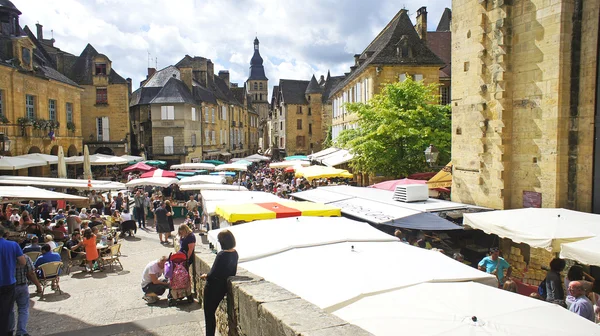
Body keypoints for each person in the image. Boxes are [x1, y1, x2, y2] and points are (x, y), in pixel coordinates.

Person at [201, 230, 238, 336]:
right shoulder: (235, 253)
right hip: (223, 288)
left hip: (213, 288)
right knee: (211, 312)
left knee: (209, 314)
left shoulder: (222, 255)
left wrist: (206, 275)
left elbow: (213, 273)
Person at [0, 225, 26, 334]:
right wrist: (11, 265)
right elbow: (23, 262)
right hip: (8, 282)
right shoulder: (12, 245)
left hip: (7, 283)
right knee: (6, 311)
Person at [8, 254, 41, 336]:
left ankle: (10, 330)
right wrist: (38, 285)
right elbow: (31, 273)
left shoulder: (5, 258)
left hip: (8, 287)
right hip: (22, 285)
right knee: (23, 309)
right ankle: (21, 331)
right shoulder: (25, 257)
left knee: (9, 310)